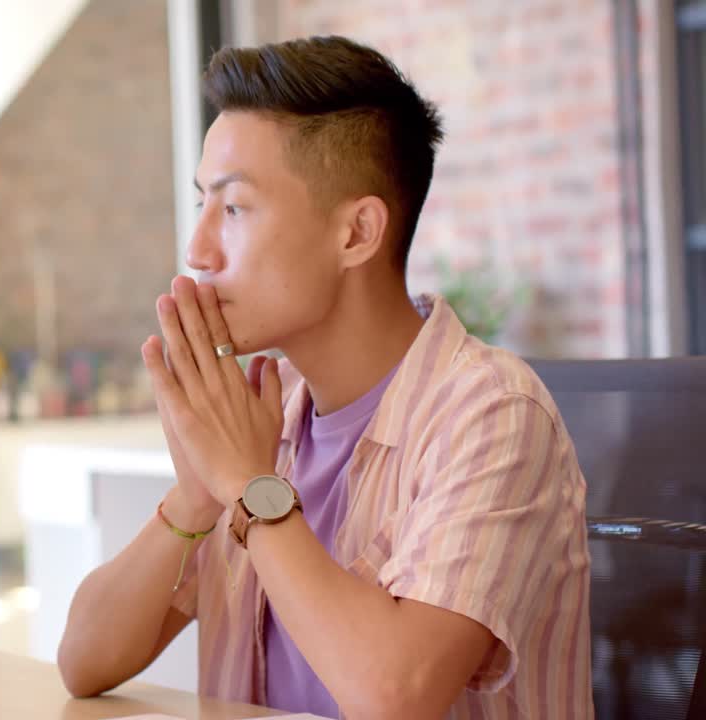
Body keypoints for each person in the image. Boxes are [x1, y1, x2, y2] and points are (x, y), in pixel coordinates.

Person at [57, 36, 592, 718]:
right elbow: (83, 661)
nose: (198, 250)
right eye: (203, 206)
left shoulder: (493, 417)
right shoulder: (264, 421)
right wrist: (196, 501)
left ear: (356, 234)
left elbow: (393, 697)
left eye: (236, 208)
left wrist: (250, 491)